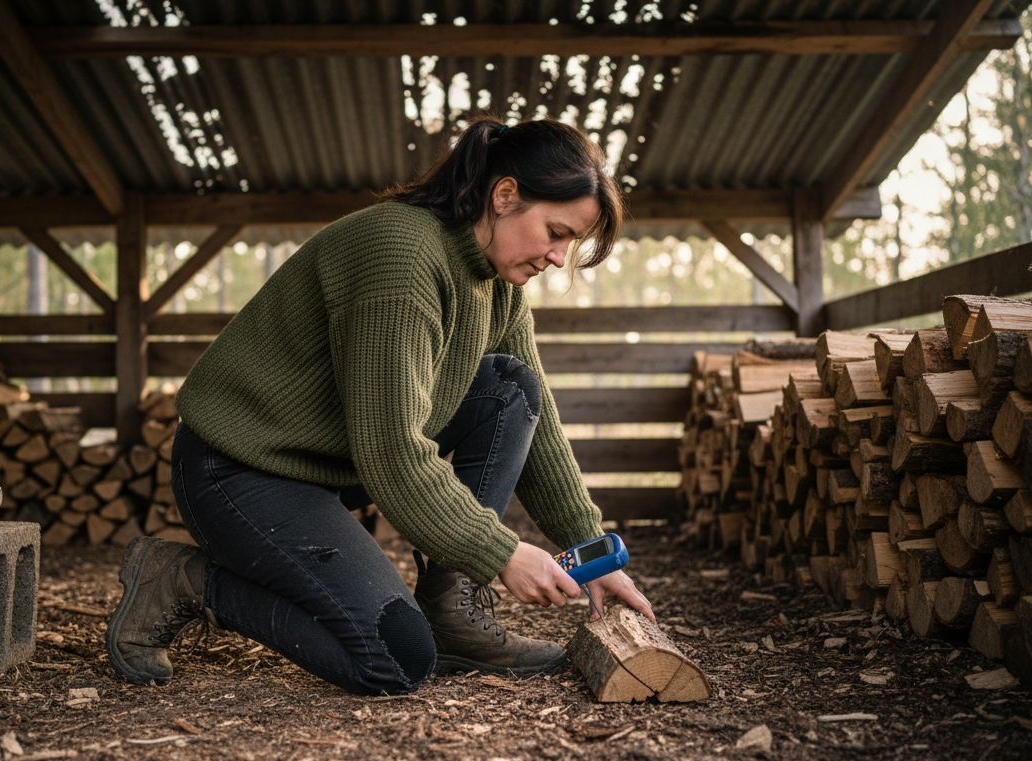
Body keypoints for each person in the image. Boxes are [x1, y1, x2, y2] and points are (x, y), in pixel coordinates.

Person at [105, 116, 656, 696]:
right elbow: (393, 453)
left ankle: (452, 614)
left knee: (511, 388)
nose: (556, 256)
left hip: (324, 471)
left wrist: (590, 551)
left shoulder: (497, 284)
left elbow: (536, 424)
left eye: (570, 243)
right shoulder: (402, 258)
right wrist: (499, 552)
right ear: (505, 194)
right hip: (239, 473)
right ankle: (185, 581)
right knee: (393, 659)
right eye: (556, 231)